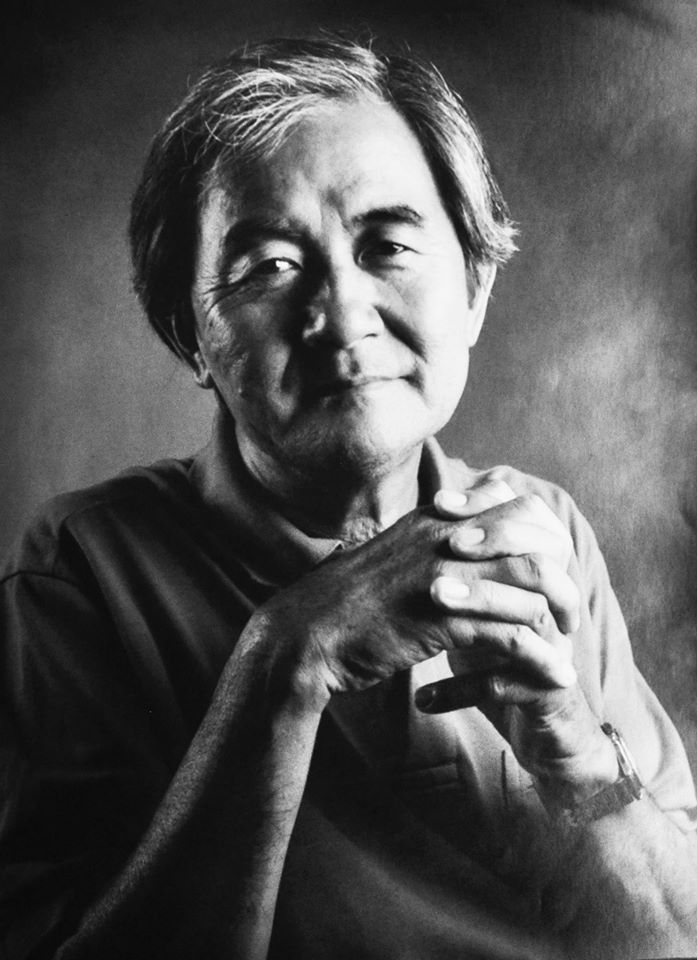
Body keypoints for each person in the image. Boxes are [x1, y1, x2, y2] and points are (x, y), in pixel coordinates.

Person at [1, 35, 696, 960]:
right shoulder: (82, 568)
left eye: (388, 246)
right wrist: (288, 657)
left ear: (475, 287)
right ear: (187, 333)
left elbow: (674, 939)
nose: (340, 315)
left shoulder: (539, 531)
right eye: (269, 266)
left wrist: (573, 744)